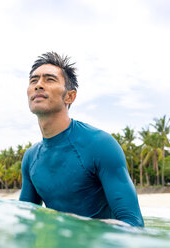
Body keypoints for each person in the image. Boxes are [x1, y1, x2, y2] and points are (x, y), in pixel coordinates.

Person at [19, 52, 144, 227]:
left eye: (49, 79)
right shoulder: (31, 158)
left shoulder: (100, 144)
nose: (38, 85)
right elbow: (24, 222)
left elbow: (133, 224)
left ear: (69, 96)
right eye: (34, 80)